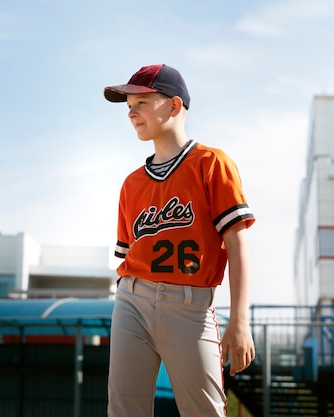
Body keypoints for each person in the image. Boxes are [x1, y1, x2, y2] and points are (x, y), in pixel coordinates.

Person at [104, 64, 256, 417]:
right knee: (124, 410)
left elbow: (237, 244)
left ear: (173, 106)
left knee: (204, 411)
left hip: (191, 306)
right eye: (128, 104)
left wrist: (240, 320)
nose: (131, 111)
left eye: (141, 101)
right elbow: (127, 256)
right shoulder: (131, 183)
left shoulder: (212, 163)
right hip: (132, 301)